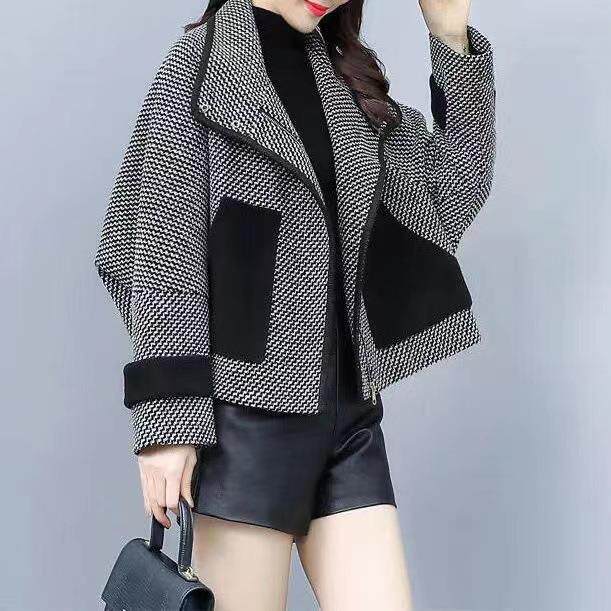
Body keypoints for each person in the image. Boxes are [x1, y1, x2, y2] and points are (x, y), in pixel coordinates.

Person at [94, 0, 495, 607]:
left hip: (349, 420)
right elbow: (153, 246)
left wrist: (450, 37)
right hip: (244, 425)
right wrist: (168, 420)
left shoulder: (342, 75)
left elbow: (449, 198)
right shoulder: (202, 65)